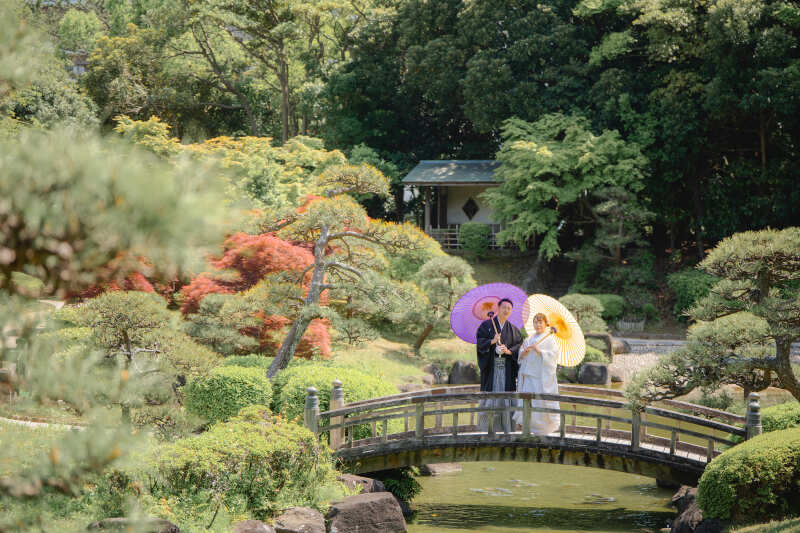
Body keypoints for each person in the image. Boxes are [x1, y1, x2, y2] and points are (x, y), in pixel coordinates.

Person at [475, 298, 523, 433]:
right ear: (498, 308)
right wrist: (492, 341)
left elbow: (519, 346)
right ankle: (488, 428)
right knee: (491, 396)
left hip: (507, 369)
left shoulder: (514, 330)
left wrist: (508, 351)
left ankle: (507, 428)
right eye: (504, 307)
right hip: (491, 368)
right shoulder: (486, 326)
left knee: (506, 397)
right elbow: (480, 343)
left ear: (511, 311)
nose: (506, 310)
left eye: (509, 308)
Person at [513, 312, 560, 435]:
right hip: (528, 376)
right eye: (535, 322)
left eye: (540, 322)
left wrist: (540, 352)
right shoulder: (529, 338)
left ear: (545, 324)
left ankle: (542, 430)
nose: (538, 324)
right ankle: (528, 428)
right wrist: (525, 352)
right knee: (528, 402)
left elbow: (553, 356)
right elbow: (520, 356)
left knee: (539, 403)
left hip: (540, 377)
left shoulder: (550, 339)